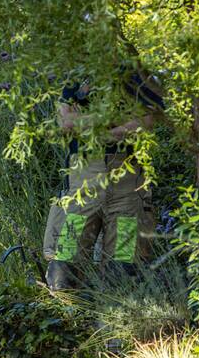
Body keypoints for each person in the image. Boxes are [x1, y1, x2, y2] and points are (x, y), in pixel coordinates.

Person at [42, 74, 163, 290]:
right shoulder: (74, 77)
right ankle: (68, 315)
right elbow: (66, 122)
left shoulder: (133, 75)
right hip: (83, 177)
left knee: (124, 264)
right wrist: (114, 119)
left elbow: (148, 119)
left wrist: (96, 124)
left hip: (126, 178)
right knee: (65, 262)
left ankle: (117, 317)